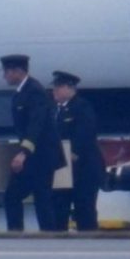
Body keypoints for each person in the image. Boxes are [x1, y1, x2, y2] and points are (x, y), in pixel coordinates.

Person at [0, 54, 66, 232]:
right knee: (20, 196)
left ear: (17, 71)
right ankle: (20, 234)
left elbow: (36, 125)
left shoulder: (34, 91)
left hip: (41, 156)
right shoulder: (22, 92)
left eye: (6, 72)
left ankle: (47, 236)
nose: (4, 76)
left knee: (39, 198)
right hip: (35, 157)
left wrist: (23, 153)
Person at [50, 71, 105, 232]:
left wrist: (74, 152)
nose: (54, 91)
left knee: (84, 211)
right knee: (59, 210)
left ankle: (89, 246)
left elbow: (86, 132)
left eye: (58, 87)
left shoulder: (81, 106)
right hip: (62, 169)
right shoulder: (55, 111)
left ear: (69, 88)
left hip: (84, 169)